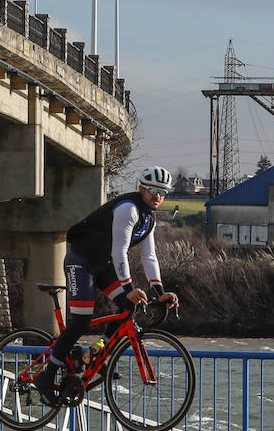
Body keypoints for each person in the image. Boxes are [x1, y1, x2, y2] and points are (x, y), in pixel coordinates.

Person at [34, 166, 181, 404]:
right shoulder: (128, 210)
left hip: (102, 265)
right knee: (81, 320)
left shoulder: (149, 220)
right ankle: (47, 375)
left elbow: (149, 257)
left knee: (127, 308)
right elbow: (119, 251)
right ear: (141, 188)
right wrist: (130, 287)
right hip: (80, 262)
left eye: (163, 192)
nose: (158, 196)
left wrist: (160, 292)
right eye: (153, 190)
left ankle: (96, 356)